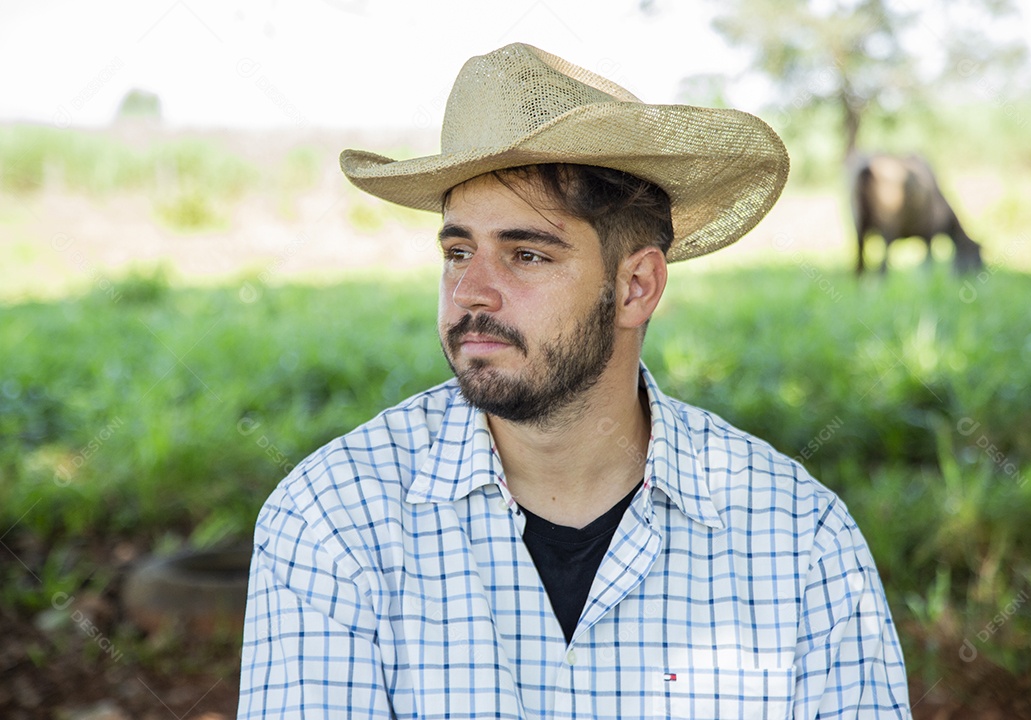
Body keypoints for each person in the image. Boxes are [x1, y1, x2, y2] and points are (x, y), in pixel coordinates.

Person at [238, 43, 911, 719]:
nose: (472, 293)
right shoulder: (335, 522)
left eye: (526, 254)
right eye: (458, 251)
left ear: (636, 286)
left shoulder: (798, 540)